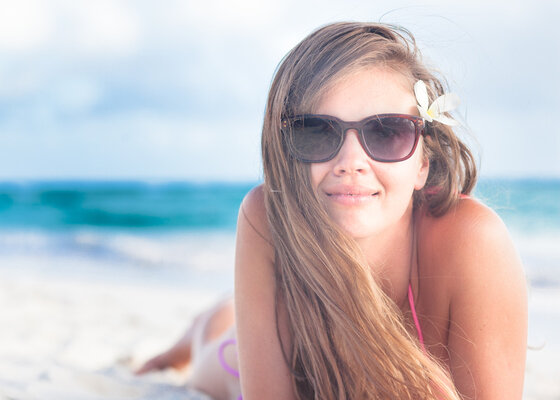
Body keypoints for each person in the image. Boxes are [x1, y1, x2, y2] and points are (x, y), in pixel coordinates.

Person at [136, 22, 527, 400]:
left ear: (422, 163)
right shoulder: (267, 219)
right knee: (211, 354)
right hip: (242, 362)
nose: (351, 162)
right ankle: (203, 327)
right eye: (316, 131)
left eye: (387, 132)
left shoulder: (474, 241)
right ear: (286, 152)